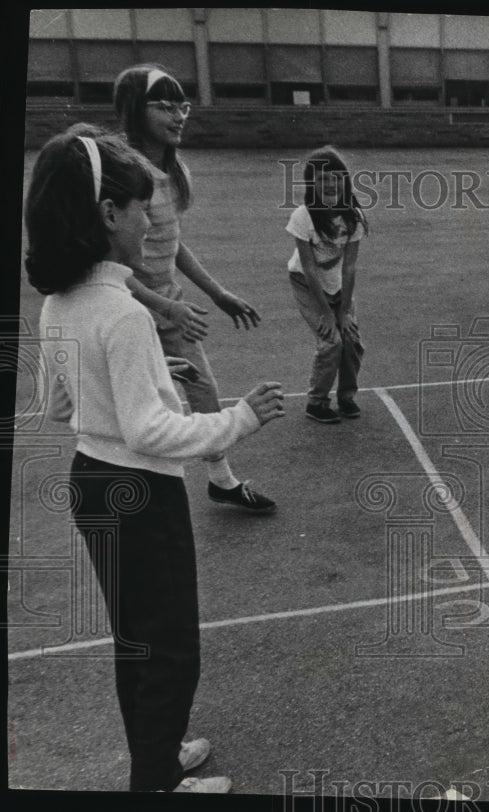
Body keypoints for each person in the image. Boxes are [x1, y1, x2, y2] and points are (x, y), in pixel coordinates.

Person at [25, 126, 286, 791]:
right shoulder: (123, 313)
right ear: (109, 215)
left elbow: (61, 407)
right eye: (142, 207)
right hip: (141, 496)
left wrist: (145, 373)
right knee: (171, 655)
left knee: (135, 645)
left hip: (91, 483)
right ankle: (157, 785)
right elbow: (148, 432)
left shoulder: (58, 304)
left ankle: (160, 759)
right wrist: (239, 419)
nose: (152, 220)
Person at [112, 63, 276, 513]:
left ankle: (221, 481)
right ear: (133, 110)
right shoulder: (124, 172)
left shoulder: (175, 169)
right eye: (164, 106)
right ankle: (136, 495)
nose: (178, 115)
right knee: (142, 406)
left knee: (202, 390)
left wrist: (216, 293)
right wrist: (162, 303)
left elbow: (173, 244)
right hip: (128, 311)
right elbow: (108, 267)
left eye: (181, 105)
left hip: (170, 308)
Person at [284, 145, 368, 423]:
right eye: (322, 179)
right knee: (331, 341)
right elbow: (308, 268)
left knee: (351, 340)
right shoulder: (303, 216)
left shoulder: (353, 217)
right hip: (306, 283)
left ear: (344, 181)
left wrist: (343, 311)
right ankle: (316, 402)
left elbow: (350, 267)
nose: (330, 184)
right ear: (312, 185)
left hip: (337, 283)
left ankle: (346, 396)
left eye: (335, 177)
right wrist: (326, 313)